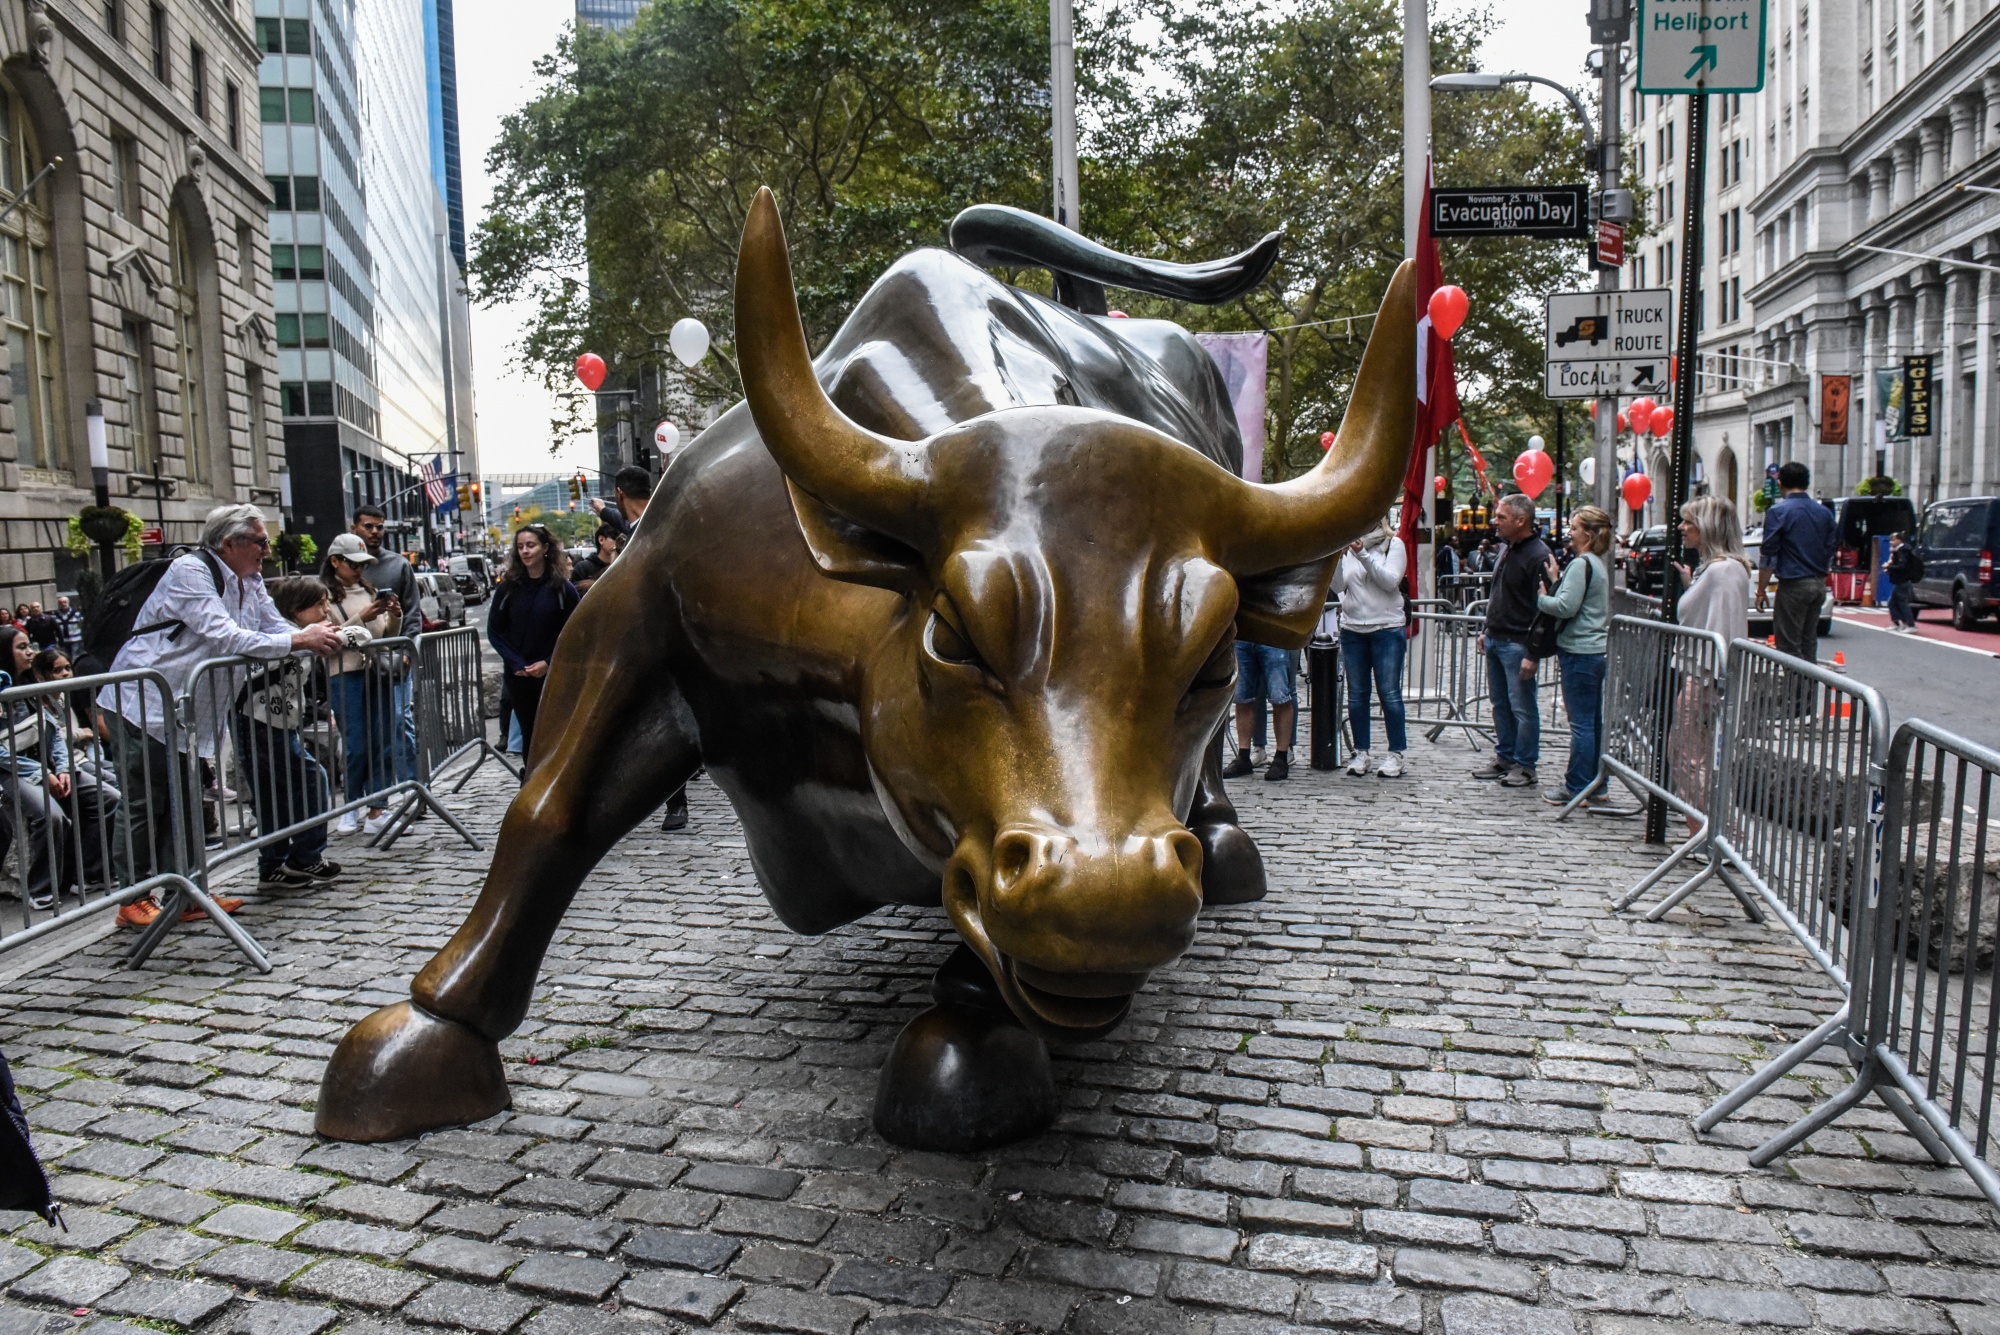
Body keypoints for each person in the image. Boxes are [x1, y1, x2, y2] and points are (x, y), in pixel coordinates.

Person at [99, 504, 342, 927]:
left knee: (188, 802)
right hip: (145, 703)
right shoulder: (191, 572)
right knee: (146, 801)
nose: (267, 550)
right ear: (229, 543)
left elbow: (271, 624)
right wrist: (301, 639)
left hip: (186, 710)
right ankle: (133, 898)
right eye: (261, 541)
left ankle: (189, 892)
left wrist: (315, 636)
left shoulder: (250, 580)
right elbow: (225, 635)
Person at [235, 577, 344, 891]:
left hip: (279, 720)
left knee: (277, 794)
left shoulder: (299, 635)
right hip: (256, 720)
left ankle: (276, 865)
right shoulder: (283, 636)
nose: (326, 610)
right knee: (306, 781)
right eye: (319, 605)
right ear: (297, 609)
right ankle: (301, 858)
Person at [0, 628, 120, 911]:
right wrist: (42, 773)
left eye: (29, 645)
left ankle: (91, 873)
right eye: (21, 647)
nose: (30, 652)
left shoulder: (35, 687)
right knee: (49, 815)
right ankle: (43, 887)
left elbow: (54, 735)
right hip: (12, 771)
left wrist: (63, 767)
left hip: (52, 765)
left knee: (109, 798)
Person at [1671, 495, 1753, 828]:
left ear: (1708, 527)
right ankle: (1710, 831)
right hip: (1704, 675)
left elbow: (1724, 628)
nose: (1682, 527)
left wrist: (1714, 682)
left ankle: (1715, 833)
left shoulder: (1724, 572)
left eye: (1689, 521)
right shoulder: (1719, 570)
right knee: (1689, 756)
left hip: (1706, 677)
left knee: (1691, 758)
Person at [321, 533, 402, 836]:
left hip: (376, 671)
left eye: (362, 564)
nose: (359, 570)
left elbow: (384, 635)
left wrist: (394, 614)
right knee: (355, 744)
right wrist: (361, 616)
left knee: (383, 739)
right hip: (344, 672)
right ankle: (351, 804)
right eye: (353, 564)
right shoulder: (324, 596)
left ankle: (378, 806)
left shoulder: (368, 590)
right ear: (335, 562)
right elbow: (328, 637)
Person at [1473, 493, 1551, 788]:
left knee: (1522, 707)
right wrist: (1487, 628)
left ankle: (1526, 764)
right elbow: (1498, 594)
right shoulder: (1508, 548)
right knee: (1500, 704)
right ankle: (1505, 757)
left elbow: (1544, 609)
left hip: (1517, 643)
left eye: (1501, 517)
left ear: (1521, 520)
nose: (1495, 522)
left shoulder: (1538, 555)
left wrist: (1533, 652)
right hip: (1497, 637)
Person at [1537, 506, 1614, 806]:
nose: (1570, 531)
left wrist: (1542, 599)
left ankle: (1578, 785)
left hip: (1580, 651)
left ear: (1590, 534)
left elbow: (1566, 606)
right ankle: (1596, 784)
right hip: (1593, 651)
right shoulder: (1594, 563)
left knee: (1582, 724)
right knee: (1592, 723)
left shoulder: (1583, 564)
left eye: (1575, 527)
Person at [487, 524, 578, 771]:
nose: (525, 551)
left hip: (552, 674)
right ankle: (531, 783)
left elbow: (573, 633)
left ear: (545, 548)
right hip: (519, 676)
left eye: (531, 545)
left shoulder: (562, 589)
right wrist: (516, 663)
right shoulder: (508, 588)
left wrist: (548, 663)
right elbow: (495, 631)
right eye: (520, 547)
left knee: (552, 731)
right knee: (529, 730)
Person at [349, 505, 423, 800]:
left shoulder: (397, 565)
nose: (375, 532)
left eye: (380, 527)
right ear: (354, 527)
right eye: (369, 526)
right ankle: (366, 799)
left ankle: (411, 789)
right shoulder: (339, 568)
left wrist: (406, 651)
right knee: (361, 732)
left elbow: (413, 615)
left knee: (399, 721)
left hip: (392, 661)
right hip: (354, 664)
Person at [1329, 518, 1408, 778]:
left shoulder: (1392, 545)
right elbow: (1338, 587)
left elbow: (1390, 581)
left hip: (1386, 628)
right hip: (1353, 630)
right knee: (1357, 695)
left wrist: (1361, 553)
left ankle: (1396, 753)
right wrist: (1336, 559)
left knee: (1389, 694)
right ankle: (1361, 752)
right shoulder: (1349, 550)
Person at [1756, 461, 1835, 663]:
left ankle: (1795, 692)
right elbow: (1830, 548)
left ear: (1780, 483)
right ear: (1806, 483)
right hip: (1818, 583)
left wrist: (1761, 589)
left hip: (1794, 584)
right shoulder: (1824, 513)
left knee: (1788, 645)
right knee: (1809, 642)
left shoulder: (1778, 512)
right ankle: (1807, 692)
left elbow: (1769, 555)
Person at [1221, 638, 1298, 781]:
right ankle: (1243, 756)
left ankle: (1281, 757)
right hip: (1243, 636)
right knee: (1243, 698)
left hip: (1275, 636)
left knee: (1279, 696)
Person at [588, 465, 653, 540]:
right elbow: (622, 522)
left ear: (620, 493)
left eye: (614, 493)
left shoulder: (640, 534)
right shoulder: (661, 519)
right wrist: (603, 510)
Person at [1885, 530, 1920, 633]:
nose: (1891, 542)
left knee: (1901, 602)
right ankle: (1898, 623)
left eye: (1893, 540)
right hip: (1900, 580)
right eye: (1891, 540)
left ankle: (1910, 624)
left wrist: (1889, 567)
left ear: (1899, 540)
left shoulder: (1903, 551)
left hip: (1903, 580)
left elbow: (1902, 566)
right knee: (1893, 602)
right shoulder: (1899, 550)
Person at [571, 526, 622, 592]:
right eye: (615, 539)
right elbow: (575, 594)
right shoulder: (582, 568)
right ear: (601, 540)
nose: (618, 543)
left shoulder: (624, 566)